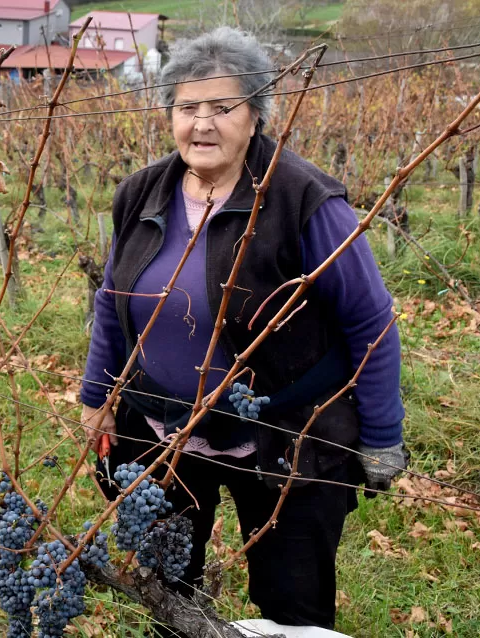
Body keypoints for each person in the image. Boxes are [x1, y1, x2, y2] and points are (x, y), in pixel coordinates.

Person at [80, 27, 407, 631]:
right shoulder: (141, 193)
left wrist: (383, 433)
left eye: (222, 108)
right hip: (162, 431)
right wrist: (98, 398)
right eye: (186, 107)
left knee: (293, 604)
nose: (201, 124)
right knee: (167, 588)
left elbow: (370, 319)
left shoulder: (303, 199)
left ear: (256, 115)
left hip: (286, 436)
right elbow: (111, 301)